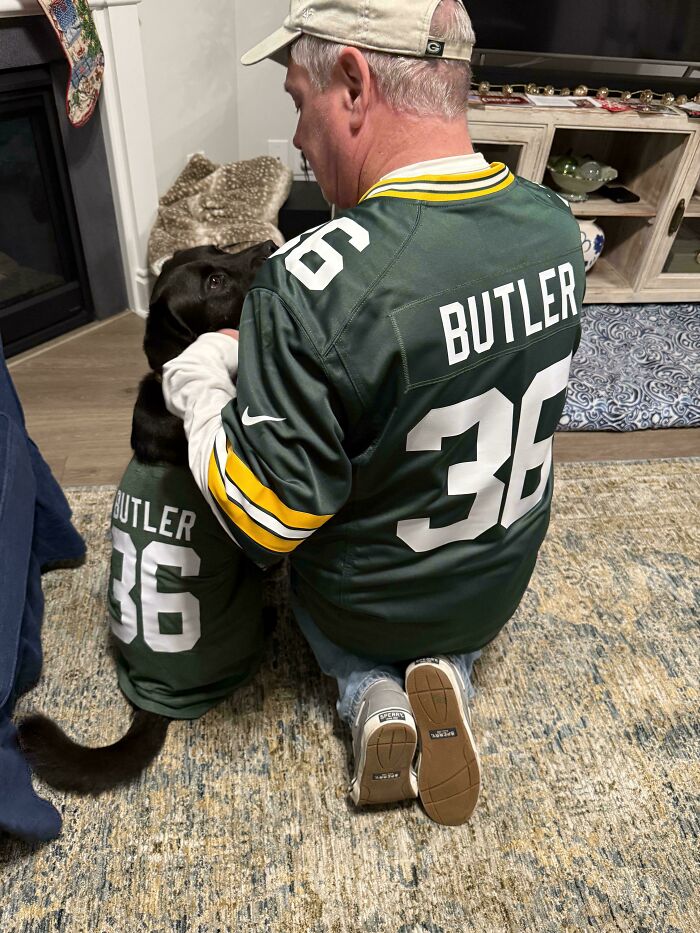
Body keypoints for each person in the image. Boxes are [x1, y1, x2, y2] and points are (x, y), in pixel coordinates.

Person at [162, 0, 584, 826]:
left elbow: (263, 518)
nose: (294, 139)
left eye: (296, 101)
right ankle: (453, 672)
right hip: (493, 587)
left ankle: (368, 696)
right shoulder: (556, 227)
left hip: (365, 604)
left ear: (353, 83)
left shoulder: (307, 285)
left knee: (329, 619)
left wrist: (204, 391)